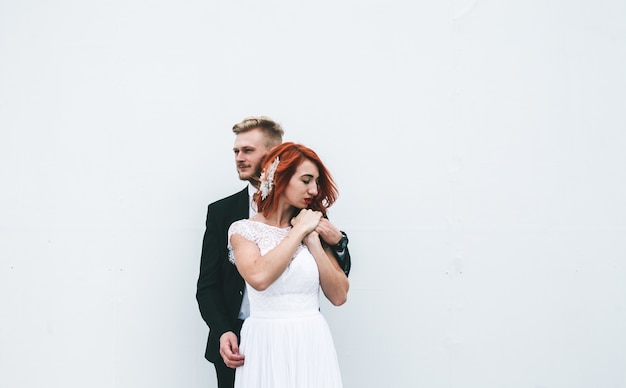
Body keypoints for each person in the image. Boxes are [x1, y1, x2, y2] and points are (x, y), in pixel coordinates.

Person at [196, 117, 351, 388]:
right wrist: (222, 331)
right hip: (248, 343)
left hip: (309, 341)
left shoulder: (311, 217)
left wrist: (321, 240)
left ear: (274, 158)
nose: (239, 158)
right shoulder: (230, 219)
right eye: (236, 151)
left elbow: (339, 290)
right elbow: (210, 284)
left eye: (248, 150)